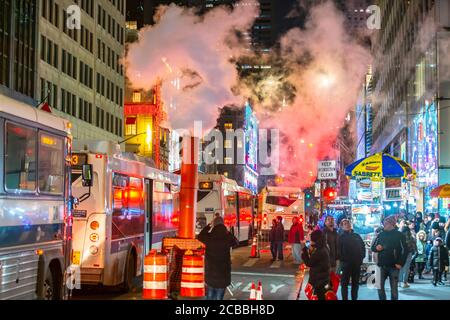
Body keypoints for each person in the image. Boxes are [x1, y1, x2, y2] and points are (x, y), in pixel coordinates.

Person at [198, 215, 238, 300]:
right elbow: (236, 241)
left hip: (211, 274)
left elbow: (200, 236)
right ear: (223, 225)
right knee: (219, 298)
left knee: (209, 296)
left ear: (214, 225)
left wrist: (208, 226)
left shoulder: (209, 236)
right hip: (223, 275)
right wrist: (227, 231)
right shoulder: (227, 237)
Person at [371, 215, 408, 300]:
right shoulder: (380, 234)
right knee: (379, 288)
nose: (384, 224)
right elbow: (373, 247)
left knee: (394, 289)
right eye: (384, 222)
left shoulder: (399, 235)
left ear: (392, 224)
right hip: (381, 265)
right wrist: (376, 248)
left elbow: (405, 250)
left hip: (394, 266)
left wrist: (400, 263)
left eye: (386, 223)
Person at [338, 219, 366, 300]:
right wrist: (343, 259)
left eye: (348, 223)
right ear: (342, 226)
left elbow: (363, 246)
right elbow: (338, 250)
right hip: (345, 264)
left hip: (356, 264)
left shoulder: (357, 236)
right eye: (345, 224)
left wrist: (361, 257)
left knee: (355, 284)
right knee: (344, 284)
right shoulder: (340, 237)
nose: (347, 225)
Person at [302, 230, 330, 300]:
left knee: (318, 296)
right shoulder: (324, 246)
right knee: (321, 295)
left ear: (316, 239)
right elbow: (315, 257)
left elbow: (309, 263)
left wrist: (304, 252)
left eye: (312, 239)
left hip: (319, 280)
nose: (310, 240)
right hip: (323, 277)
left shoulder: (320, 251)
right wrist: (309, 247)